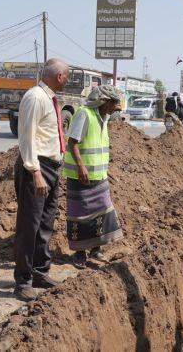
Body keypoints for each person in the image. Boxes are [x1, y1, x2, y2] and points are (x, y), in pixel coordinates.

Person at [13, 58, 69, 302]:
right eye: (67, 76)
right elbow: (26, 138)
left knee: (45, 224)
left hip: (51, 168)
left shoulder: (48, 98)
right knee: (29, 226)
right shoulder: (35, 97)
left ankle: (40, 272)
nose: (67, 80)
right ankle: (23, 281)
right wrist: (35, 172)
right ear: (59, 77)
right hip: (37, 169)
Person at [63, 85, 124, 269]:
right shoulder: (84, 114)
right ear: (105, 102)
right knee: (80, 214)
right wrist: (81, 166)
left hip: (99, 175)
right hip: (80, 175)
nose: (116, 109)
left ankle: (96, 249)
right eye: (114, 104)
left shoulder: (103, 117)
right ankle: (80, 253)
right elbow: (72, 142)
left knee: (101, 210)